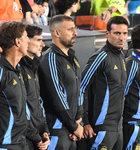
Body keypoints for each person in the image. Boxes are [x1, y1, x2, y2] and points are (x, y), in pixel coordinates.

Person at [80, 16, 128, 150]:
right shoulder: (100, 57)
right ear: (107, 33)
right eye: (117, 33)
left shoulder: (122, 57)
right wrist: (85, 122)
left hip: (118, 127)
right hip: (102, 127)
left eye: (124, 33)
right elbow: (81, 88)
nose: (121, 37)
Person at [38, 14, 84, 150]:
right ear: (57, 33)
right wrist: (74, 126)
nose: (75, 33)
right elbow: (57, 97)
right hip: (57, 132)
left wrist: (79, 120)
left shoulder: (73, 58)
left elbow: (79, 90)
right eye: (70, 29)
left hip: (71, 131)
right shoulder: (50, 58)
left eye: (74, 29)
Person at [0, 21, 35, 150]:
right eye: (27, 38)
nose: (29, 41)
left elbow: (21, 110)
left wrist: (36, 135)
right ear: (17, 42)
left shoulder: (18, 70)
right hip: (3, 145)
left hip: (21, 143)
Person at [19, 25, 50, 150]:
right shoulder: (18, 69)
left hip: (38, 137)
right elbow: (21, 107)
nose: (42, 45)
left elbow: (38, 100)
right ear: (26, 41)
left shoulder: (34, 67)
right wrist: (36, 136)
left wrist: (44, 130)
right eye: (38, 40)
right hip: (26, 139)